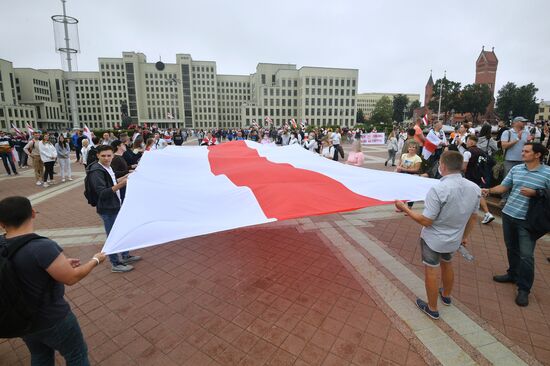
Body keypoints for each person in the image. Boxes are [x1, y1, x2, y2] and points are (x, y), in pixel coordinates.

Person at [0, 196, 106, 365]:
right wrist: (95, 260)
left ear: (1, 223)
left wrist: (59, 264)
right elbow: (72, 278)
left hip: (22, 318)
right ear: (33, 213)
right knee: (76, 355)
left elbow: (22, 269)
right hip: (53, 318)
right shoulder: (42, 247)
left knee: (40, 356)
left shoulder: (2, 244)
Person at [395, 151, 481, 320]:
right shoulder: (474, 188)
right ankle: (446, 295)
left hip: (433, 239)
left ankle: (432, 307)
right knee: (447, 263)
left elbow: (426, 220)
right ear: (461, 166)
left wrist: (404, 208)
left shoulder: (439, 188)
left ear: (442, 166)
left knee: (431, 270)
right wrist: (464, 236)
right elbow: (473, 216)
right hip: (454, 238)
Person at [482, 143, 550, 306]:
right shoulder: (516, 169)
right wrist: (489, 190)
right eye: (523, 151)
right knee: (511, 247)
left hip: (528, 220)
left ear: (537, 155)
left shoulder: (547, 173)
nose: (522, 153)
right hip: (509, 214)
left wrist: (536, 193)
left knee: (526, 255)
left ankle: (524, 289)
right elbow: (504, 187)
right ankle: (513, 274)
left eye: (526, 151)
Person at [87, 145, 141, 272]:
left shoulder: (107, 167)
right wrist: (123, 184)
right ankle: (115, 263)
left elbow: (112, 181)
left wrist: (127, 175)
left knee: (122, 230)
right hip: (108, 208)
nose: (107, 158)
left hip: (115, 204)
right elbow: (102, 193)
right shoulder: (96, 171)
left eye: (109, 155)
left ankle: (125, 255)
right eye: (103, 156)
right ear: (97, 156)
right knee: (113, 235)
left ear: (113, 155)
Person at [462, 135, 495, 224]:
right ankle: (486, 213)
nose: (466, 143)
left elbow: (464, 167)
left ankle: (487, 213)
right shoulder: (482, 152)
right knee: (477, 193)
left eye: (467, 141)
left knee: (475, 194)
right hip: (480, 177)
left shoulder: (467, 152)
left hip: (470, 176)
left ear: (471, 142)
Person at [500, 117, 532, 205]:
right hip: (510, 160)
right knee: (507, 180)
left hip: (523, 161)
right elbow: (504, 146)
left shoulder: (526, 132)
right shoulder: (507, 132)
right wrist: (517, 139)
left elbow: (528, 146)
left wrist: (530, 142)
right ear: (516, 122)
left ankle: (516, 199)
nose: (525, 123)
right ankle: (505, 198)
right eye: (523, 122)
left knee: (520, 180)